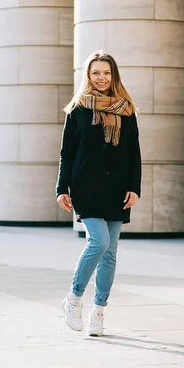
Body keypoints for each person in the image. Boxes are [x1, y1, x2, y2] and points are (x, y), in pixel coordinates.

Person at [56, 50, 142, 337]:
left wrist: (134, 187)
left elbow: (133, 153)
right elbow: (67, 152)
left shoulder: (126, 109)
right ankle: (74, 297)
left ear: (113, 75)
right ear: (88, 76)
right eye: (95, 73)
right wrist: (62, 188)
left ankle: (99, 311)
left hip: (117, 188)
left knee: (111, 252)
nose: (101, 77)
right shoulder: (78, 109)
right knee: (99, 242)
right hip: (87, 186)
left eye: (106, 72)